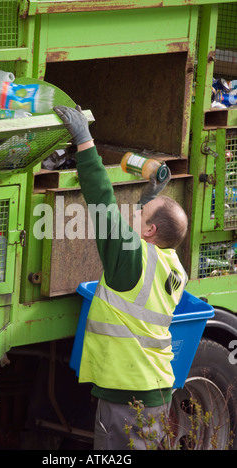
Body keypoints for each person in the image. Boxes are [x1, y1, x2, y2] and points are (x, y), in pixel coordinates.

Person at [54, 105, 188, 450]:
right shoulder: (175, 268)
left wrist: (84, 139)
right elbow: (144, 236)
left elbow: (102, 201)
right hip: (158, 389)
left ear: (150, 230)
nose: (134, 216)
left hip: (126, 395)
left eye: (140, 213)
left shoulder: (130, 259)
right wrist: (151, 198)